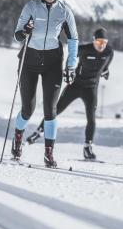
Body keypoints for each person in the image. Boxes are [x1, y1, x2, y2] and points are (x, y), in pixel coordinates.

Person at [12, 0, 78, 168]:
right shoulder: (30, 7)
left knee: (51, 110)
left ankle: (49, 153)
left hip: (52, 62)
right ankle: (17, 138)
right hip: (29, 61)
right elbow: (17, 35)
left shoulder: (65, 11)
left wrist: (71, 65)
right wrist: (25, 31)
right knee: (28, 109)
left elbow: (74, 39)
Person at [27, 27, 113, 160]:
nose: (101, 45)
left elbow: (106, 65)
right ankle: (38, 132)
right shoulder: (84, 49)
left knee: (91, 118)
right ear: (93, 41)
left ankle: (87, 148)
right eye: (98, 42)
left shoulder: (109, 52)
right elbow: (71, 57)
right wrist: (68, 69)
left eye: (104, 42)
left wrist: (105, 71)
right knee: (55, 110)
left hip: (91, 88)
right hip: (75, 85)